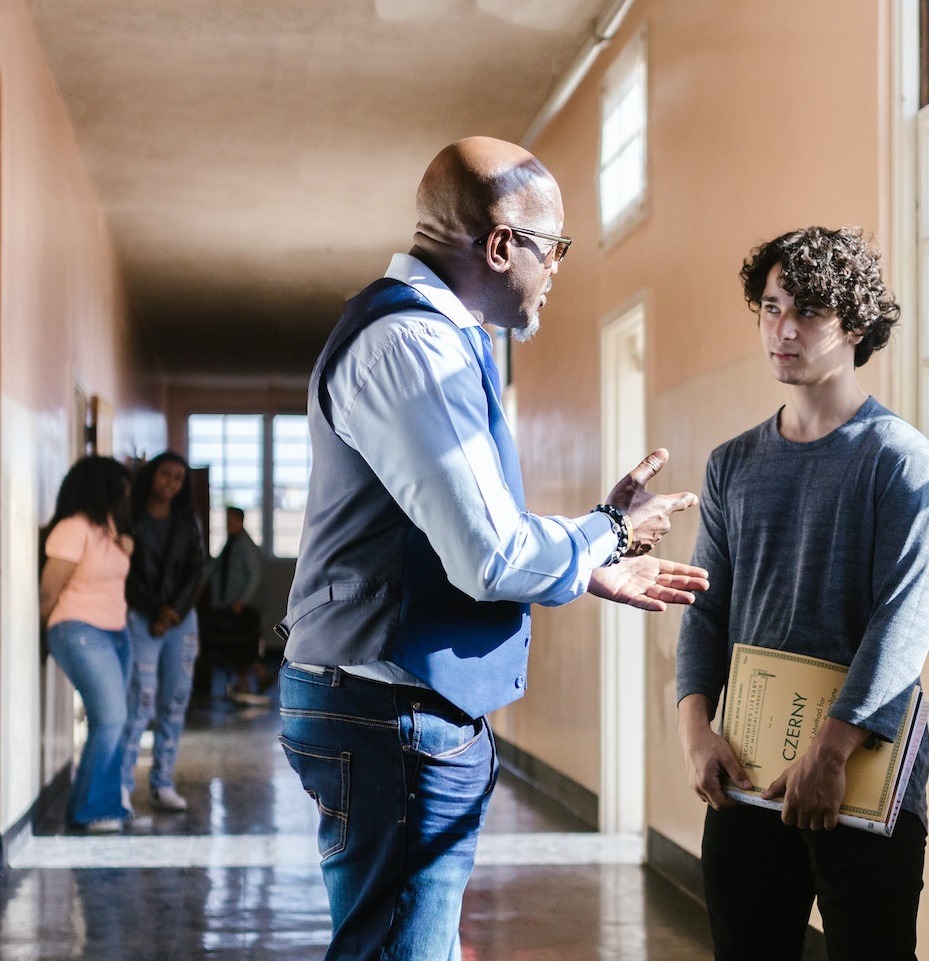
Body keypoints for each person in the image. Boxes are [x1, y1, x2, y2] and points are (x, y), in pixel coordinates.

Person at [277, 135, 707, 961]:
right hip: (388, 710)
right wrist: (605, 530)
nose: (556, 271)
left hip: (382, 703)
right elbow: (489, 556)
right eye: (553, 250)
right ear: (503, 244)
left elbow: (452, 533)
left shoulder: (426, 338)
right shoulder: (415, 347)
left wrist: (589, 566)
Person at [676, 226, 929, 961]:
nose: (782, 329)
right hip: (746, 772)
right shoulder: (730, 463)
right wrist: (693, 729)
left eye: (806, 313)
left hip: (858, 777)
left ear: (855, 326)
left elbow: (904, 622)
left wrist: (829, 751)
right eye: (769, 308)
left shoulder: (900, 461)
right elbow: (706, 609)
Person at [39, 456, 137, 833]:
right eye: (120, 486)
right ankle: (89, 811)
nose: (126, 494)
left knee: (116, 721)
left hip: (116, 631)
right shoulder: (71, 528)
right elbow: (49, 591)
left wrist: (123, 548)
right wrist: (45, 636)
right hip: (78, 628)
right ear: (102, 487)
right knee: (110, 719)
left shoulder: (107, 528)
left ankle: (101, 804)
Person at [121, 451, 206, 814]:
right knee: (140, 701)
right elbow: (125, 574)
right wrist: (157, 610)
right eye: (164, 475)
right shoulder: (129, 518)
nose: (170, 484)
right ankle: (122, 785)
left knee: (174, 702)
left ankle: (162, 783)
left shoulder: (188, 521)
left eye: (177, 478)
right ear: (151, 476)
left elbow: (197, 570)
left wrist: (172, 613)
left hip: (180, 620)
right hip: (141, 617)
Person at [203, 506, 269, 705]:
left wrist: (243, 600)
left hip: (241, 608)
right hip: (227, 606)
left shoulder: (245, 545)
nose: (227, 524)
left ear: (240, 521)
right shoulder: (230, 544)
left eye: (231, 520)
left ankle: (257, 677)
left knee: (242, 645)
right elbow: (214, 568)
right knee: (234, 646)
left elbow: (255, 576)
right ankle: (246, 684)